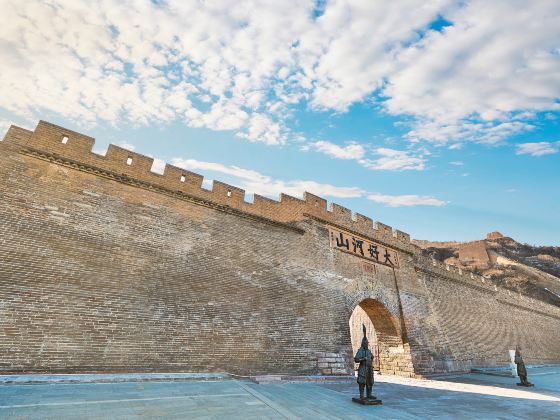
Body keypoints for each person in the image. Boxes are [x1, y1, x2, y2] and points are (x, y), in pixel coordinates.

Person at [354, 324, 375, 399]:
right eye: (365, 343)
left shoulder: (369, 351)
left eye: (367, 343)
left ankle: (369, 394)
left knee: (370, 381)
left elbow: (371, 356)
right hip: (363, 368)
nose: (367, 344)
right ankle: (362, 395)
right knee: (362, 382)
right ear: (363, 344)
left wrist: (371, 357)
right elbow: (356, 359)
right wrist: (363, 359)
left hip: (369, 368)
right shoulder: (360, 351)